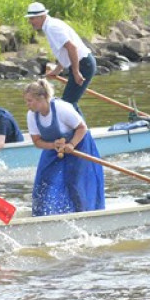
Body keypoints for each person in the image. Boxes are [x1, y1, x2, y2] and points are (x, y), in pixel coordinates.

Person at [24, 79, 105, 216]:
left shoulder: (62, 108)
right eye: (26, 101)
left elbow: (82, 127)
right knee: (44, 180)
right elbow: (37, 142)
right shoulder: (31, 115)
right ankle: (42, 214)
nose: (27, 104)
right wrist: (53, 145)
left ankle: (83, 213)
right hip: (54, 148)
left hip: (79, 143)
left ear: (42, 98)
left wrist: (71, 144)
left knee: (75, 182)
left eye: (30, 101)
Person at [26, 2, 97, 112]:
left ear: (41, 16)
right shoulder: (50, 25)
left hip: (83, 64)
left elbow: (72, 48)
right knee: (69, 102)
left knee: (68, 103)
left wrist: (76, 72)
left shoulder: (52, 28)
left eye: (32, 18)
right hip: (82, 63)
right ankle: (79, 128)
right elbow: (64, 53)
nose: (30, 22)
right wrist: (57, 70)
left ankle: (81, 129)